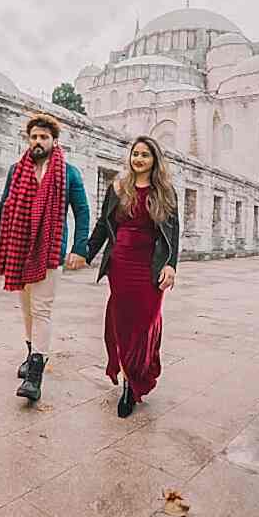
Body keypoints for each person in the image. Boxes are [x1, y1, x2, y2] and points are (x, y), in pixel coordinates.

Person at [0, 113, 90, 402]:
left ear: (54, 140)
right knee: (26, 309)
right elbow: (4, 205)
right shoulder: (16, 170)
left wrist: (80, 247)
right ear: (29, 140)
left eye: (43, 137)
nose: (38, 142)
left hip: (50, 250)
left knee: (42, 310)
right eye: (34, 137)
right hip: (19, 249)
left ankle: (35, 374)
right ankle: (31, 353)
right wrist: (6, 242)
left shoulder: (69, 173)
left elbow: (82, 211)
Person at [86, 136, 179, 418]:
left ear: (155, 160)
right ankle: (129, 383)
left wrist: (171, 265)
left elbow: (173, 233)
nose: (138, 159)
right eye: (135, 154)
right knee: (123, 322)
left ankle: (140, 372)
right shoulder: (118, 187)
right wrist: (86, 251)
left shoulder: (165, 192)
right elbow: (104, 225)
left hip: (150, 265)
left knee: (146, 322)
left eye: (145, 155)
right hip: (121, 263)